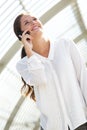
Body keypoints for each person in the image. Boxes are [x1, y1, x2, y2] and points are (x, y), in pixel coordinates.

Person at [13, 12, 87, 130]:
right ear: (21, 35)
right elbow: (39, 79)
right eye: (27, 22)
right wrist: (30, 53)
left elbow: (84, 78)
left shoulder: (65, 44)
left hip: (81, 121)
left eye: (34, 18)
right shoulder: (23, 64)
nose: (33, 22)